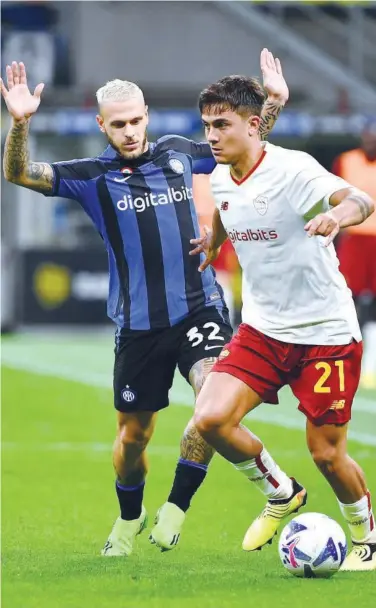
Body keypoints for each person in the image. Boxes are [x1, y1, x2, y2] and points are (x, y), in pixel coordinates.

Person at [1, 50, 293, 557]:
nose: (131, 131)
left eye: (137, 120)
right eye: (119, 124)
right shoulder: (90, 174)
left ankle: (180, 506)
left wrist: (273, 102)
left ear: (148, 117)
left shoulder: (181, 152)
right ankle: (129, 518)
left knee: (210, 404)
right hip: (137, 326)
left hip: (198, 310)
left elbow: (248, 138)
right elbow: (18, 173)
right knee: (132, 440)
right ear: (101, 125)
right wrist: (20, 122)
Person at [192, 75, 376, 571]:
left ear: (254, 125)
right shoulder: (221, 175)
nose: (211, 135)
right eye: (206, 125)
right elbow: (230, 213)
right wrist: (212, 243)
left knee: (327, 454)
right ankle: (281, 490)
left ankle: (367, 536)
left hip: (325, 333)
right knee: (209, 418)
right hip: (263, 329)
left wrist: (339, 218)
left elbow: (361, 200)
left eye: (221, 125)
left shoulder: (294, 169)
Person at [332, 124, 376, 388]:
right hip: (353, 240)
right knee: (347, 299)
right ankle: (345, 358)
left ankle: (371, 364)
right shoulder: (346, 161)